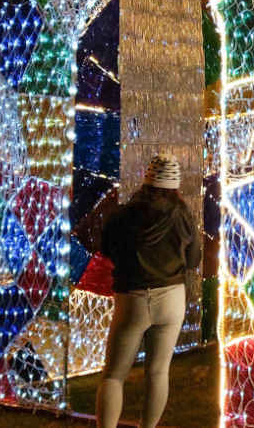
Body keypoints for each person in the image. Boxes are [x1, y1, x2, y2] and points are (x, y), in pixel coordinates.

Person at [97, 154, 201, 428]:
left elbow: (106, 249)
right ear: (175, 185)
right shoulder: (184, 215)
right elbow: (193, 260)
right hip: (172, 298)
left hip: (132, 298)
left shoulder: (123, 214)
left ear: (146, 180)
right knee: (157, 372)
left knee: (114, 375)